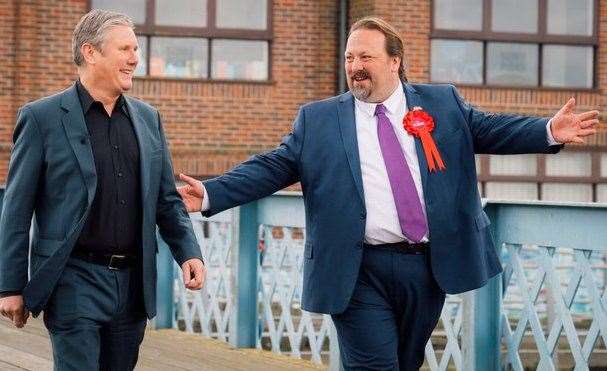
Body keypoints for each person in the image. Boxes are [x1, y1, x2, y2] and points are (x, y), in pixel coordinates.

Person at [177, 17, 599, 371]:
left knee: (405, 362)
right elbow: (272, 166)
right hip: (357, 268)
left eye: (366, 57)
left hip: (427, 266)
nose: (355, 66)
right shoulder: (318, 120)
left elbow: (491, 129)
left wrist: (547, 130)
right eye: (349, 57)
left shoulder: (442, 103)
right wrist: (213, 193)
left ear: (395, 61)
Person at [0, 9, 205, 371]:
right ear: (91, 52)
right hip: (73, 280)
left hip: (132, 286)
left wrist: (189, 252)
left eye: (136, 49)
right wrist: (10, 286)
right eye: (125, 49)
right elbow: (16, 210)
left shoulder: (148, 119)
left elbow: (166, 200)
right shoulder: (41, 118)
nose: (135, 58)